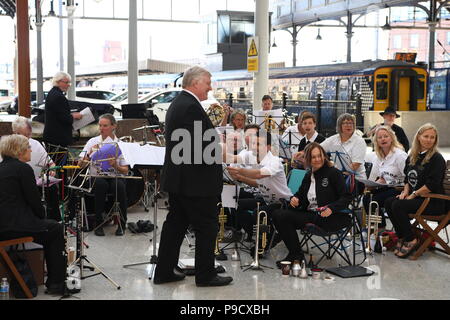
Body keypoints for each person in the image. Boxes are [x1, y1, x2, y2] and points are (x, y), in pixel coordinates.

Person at [154, 66, 233, 287]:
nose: (210, 87)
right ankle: (206, 274)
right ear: (196, 83)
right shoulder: (189, 107)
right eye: (208, 82)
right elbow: (200, 146)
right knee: (206, 226)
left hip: (181, 179)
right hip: (195, 182)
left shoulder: (180, 104)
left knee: (176, 225)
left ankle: (164, 271)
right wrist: (222, 149)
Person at [0, 134, 73, 295]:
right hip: (13, 226)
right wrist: (42, 216)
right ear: (19, 151)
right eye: (28, 147)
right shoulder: (23, 169)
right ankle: (56, 283)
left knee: (48, 227)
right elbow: (35, 203)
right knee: (54, 229)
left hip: (4, 223)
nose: (31, 150)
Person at [272, 143, 352, 267]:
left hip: (329, 217)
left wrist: (331, 208)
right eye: (313, 157)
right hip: (312, 214)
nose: (317, 159)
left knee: (283, 216)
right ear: (308, 160)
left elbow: (346, 197)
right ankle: (296, 255)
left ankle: (296, 256)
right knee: (277, 214)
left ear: (324, 156)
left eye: (319, 156)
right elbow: (300, 196)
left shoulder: (333, 173)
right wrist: (295, 199)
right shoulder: (309, 175)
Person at [384, 123, 446, 259]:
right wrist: (405, 192)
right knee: (389, 202)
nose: (429, 140)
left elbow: (432, 185)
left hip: (434, 202)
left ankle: (411, 239)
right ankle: (402, 236)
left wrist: (413, 194)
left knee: (398, 205)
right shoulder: (413, 156)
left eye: (432, 137)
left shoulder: (436, 158)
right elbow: (407, 179)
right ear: (418, 137)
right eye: (426, 136)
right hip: (418, 199)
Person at [80, 114, 128, 236]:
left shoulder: (120, 144)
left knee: (119, 186)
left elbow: (125, 170)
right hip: (96, 177)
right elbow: (81, 165)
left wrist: (115, 165)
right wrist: (90, 154)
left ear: (113, 126)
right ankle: (98, 223)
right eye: (100, 125)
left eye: (105, 126)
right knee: (101, 184)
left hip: (114, 176)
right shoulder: (92, 141)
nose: (101, 128)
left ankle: (122, 223)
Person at [12, 117, 61, 221]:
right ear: (14, 133)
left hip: (35, 183)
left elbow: (51, 164)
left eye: (28, 135)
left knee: (51, 189)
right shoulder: (8, 145)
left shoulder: (35, 144)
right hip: (15, 184)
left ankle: (54, 222)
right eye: (23, 135)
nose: (26, 139)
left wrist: (52, 170)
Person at [362, 126, 407, 229]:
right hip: (388, 187)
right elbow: (382, 177)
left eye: (386, 136)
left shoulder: (399, 155)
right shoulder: (380, 156)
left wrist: (389, 183)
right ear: (376, 141)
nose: (383, 139)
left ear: (391, 138)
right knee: (367, 198)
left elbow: (408, 178)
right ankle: (376, 228)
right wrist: (373, 184)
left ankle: (380, 229)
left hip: (400, 189)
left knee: (374, 200)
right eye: (380, 137)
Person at [43, 71, 82, 161]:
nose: (69, 85)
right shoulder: (58, 97)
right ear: (58, 82)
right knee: (60, 168)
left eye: (69, 82)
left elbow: (58, 114)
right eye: (66, 82)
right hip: (58, 139)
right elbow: (64, 118)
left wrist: (70, 115)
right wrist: (74, 116)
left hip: (53, 137)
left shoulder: (52, 93)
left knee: (55, 165)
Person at [320, 113, 366, 179]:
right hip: (338, 175)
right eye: (346, 123)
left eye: (351, 123)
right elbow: (318, 149)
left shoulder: (359, 141)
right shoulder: (333, 139)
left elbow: (355, 165)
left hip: (355, 179)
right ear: (339, 126)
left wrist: (334, 171)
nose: (349, 126)